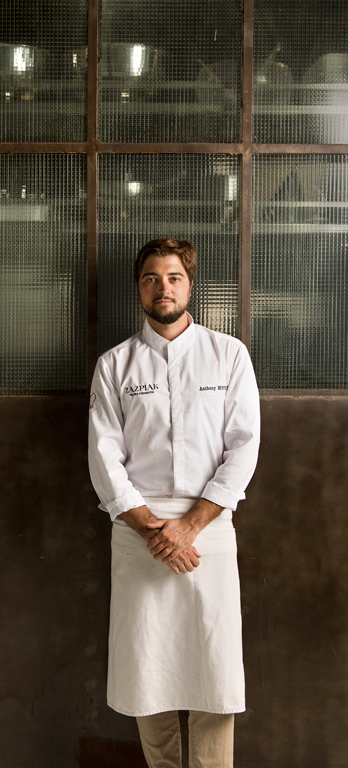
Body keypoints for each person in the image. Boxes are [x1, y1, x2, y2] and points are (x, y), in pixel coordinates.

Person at [88, 237, 260, 768]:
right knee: (149, 670)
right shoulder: (115, 365)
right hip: (137, 533)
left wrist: (189, 527)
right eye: (151, 279)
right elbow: (103, 457)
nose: (162, 288)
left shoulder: (228, 355)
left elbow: (243, 448)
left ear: (190, 285)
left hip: (210, 529)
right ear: (139, 289)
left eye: (173, 278)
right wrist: (151, 529)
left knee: (214, 669)